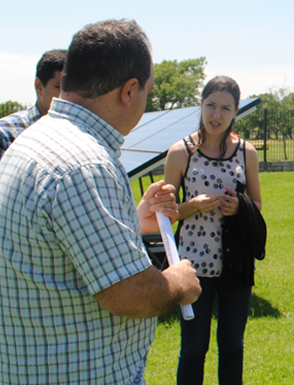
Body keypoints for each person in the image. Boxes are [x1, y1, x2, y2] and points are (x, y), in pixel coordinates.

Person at [0, 19, 201, 383]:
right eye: (147, 92)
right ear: (130, 91)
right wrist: (177, 281)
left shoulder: (33, 141)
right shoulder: (85, 165)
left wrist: (132, 222)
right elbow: (129, 293)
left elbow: (57, 247)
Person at [163, 75, 263, 385]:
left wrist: (239, 207)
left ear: (235, 112)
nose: (216, 115)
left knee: (232, 345)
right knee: (193, 348)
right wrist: (193, 205)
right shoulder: (180, 152)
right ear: (201, 105)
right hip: (193, 266)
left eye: (225, 108)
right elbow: (166, 214)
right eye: (210, 105)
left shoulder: (246, 151)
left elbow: (257, 203)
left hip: (236, 263)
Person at [0, 49, 66, 160]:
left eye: (71, 90)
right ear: (39, 86)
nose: (66, 95)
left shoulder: (82, 134)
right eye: (58, 87)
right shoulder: (6, 132)